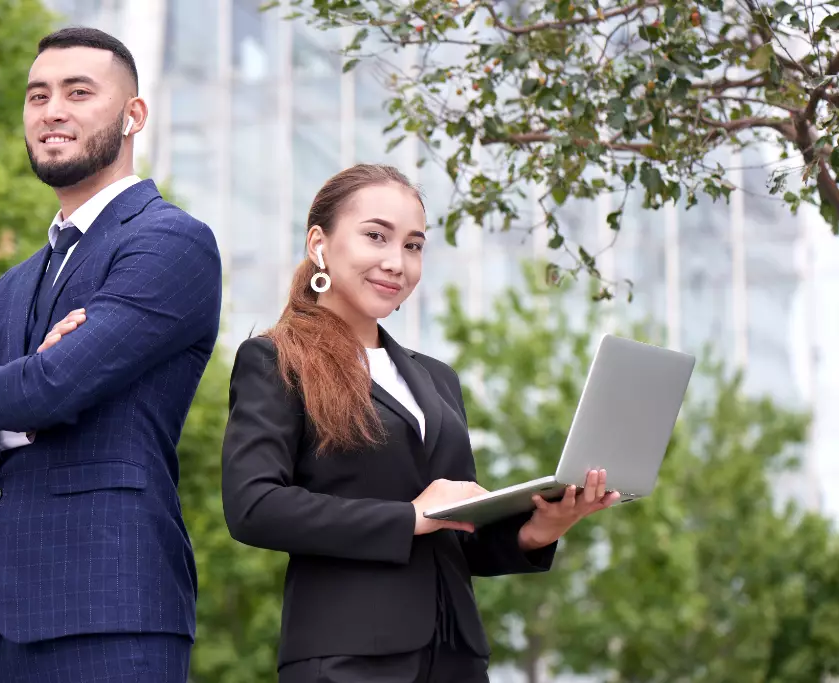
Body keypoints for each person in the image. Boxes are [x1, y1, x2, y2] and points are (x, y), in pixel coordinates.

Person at [221, 164, 618, 682]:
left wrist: (539, 529)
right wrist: (408, 517)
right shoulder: (275, 359)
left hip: (454, 654)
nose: (397, 262)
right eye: (376, 237)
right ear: (320, 243)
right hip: (347, 657)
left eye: (413, 245)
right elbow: (254, 507)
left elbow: (455, 530)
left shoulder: (436, 378)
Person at [0, 27, 221, 683]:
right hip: (6, 634)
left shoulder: (170, 243)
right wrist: (15, 397)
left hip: (113, 613)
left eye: (78, 93)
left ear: (133, 115)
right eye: (37, 95)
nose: (51, 111)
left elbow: (55, 385)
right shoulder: (16, 283)